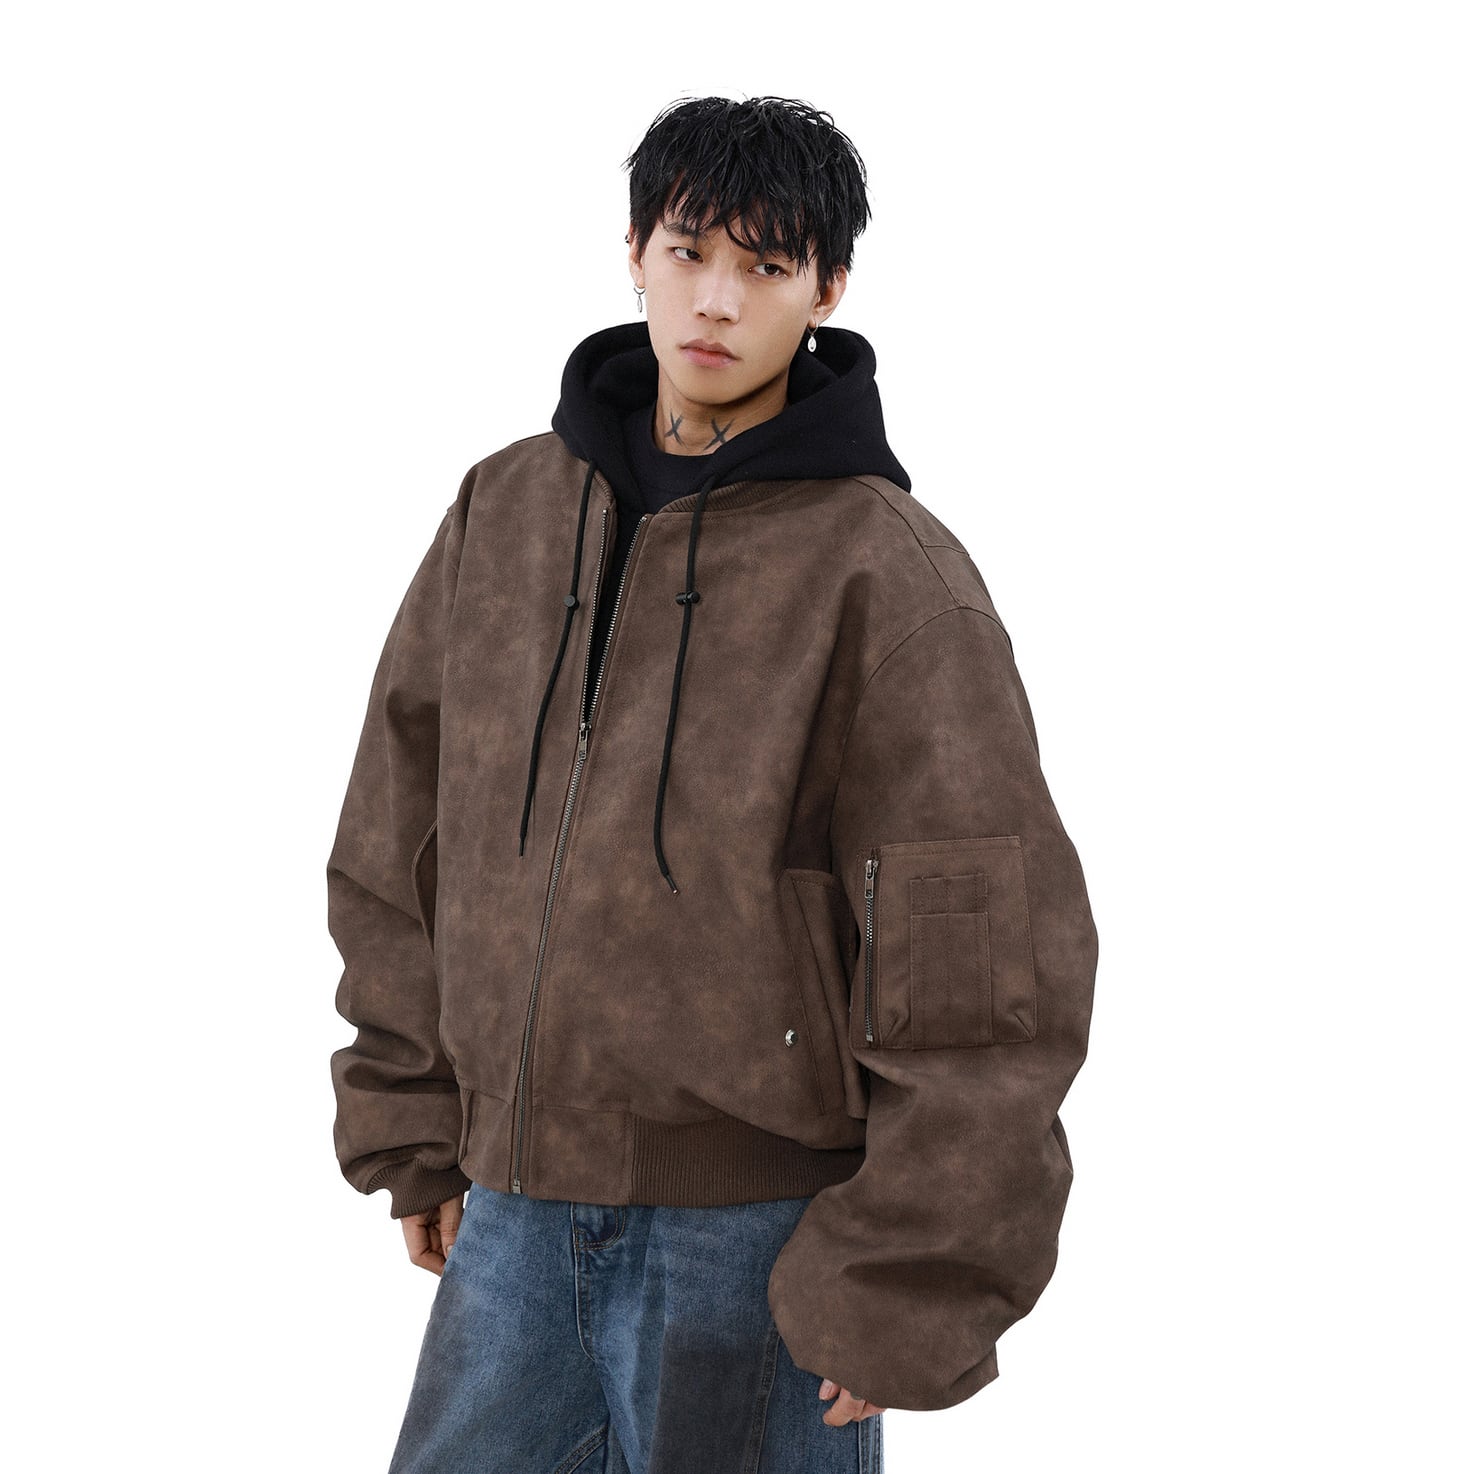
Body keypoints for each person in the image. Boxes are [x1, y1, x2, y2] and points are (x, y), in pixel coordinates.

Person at [327, 93, 1098, 1473]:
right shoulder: (507, 511)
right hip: (511, 1218)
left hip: (754, 1237)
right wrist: (415, 1117)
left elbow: (979, 955)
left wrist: (906, 1275)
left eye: (766, 264)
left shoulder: (883, 570)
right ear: (633, 250)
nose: (717, 300)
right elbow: (399, 832)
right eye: (689, 251)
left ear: (828, 289)